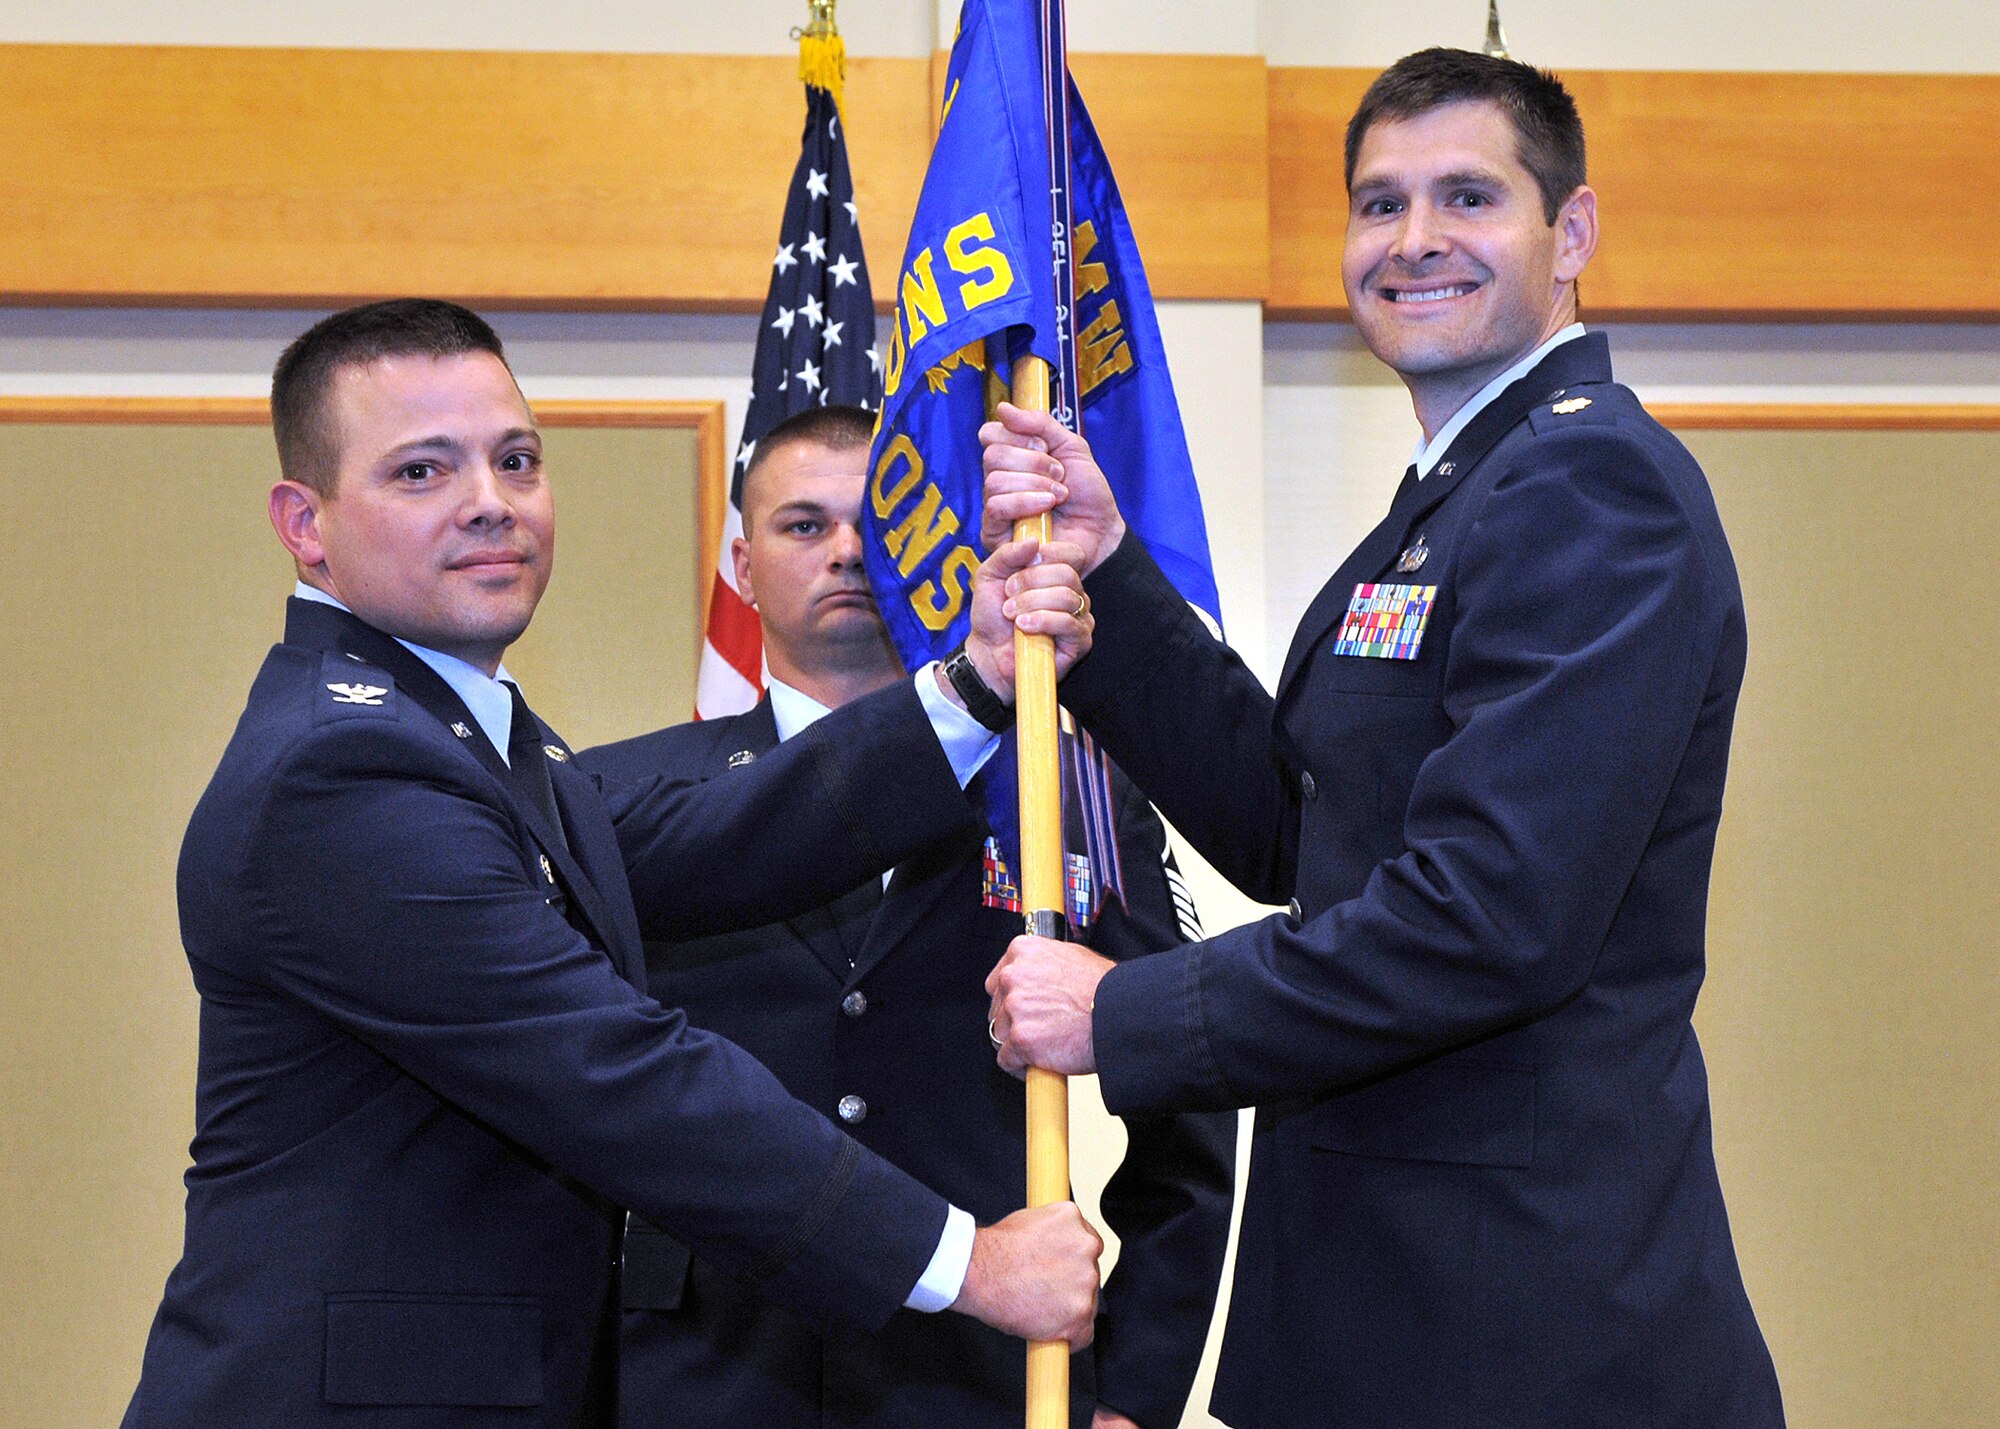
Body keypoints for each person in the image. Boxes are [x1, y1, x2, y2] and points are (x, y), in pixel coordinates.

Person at [123, 299, 1107, 1428]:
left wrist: (972, 686)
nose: (490, 502)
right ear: (306, 524)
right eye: (421, 472)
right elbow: (618, 1075)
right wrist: (965, 1260)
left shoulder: (470, 736)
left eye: (516, 458)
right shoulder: (343, 772)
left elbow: (719, 841)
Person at [981, 48, 1785, 1428]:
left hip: (1523, 1336)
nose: (1414, 241)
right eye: (1379, 204)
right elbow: (1308, 826)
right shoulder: (1456, 495)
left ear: (1571, 233)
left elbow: (1488, 914)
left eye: (1468, 197)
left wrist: (1123, 1012)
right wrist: (1112, 578)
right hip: (1394, 1311)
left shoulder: (1589, 485)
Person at [578, 406, 1234, 1429]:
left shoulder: (1064, 785)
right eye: (803, 527)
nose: (844, 550)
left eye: (875, 525)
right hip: (696, 1372)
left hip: (979, 1375)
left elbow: (1186, 1102)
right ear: (743, 570)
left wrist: (1139, 1394)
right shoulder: (625, 796)